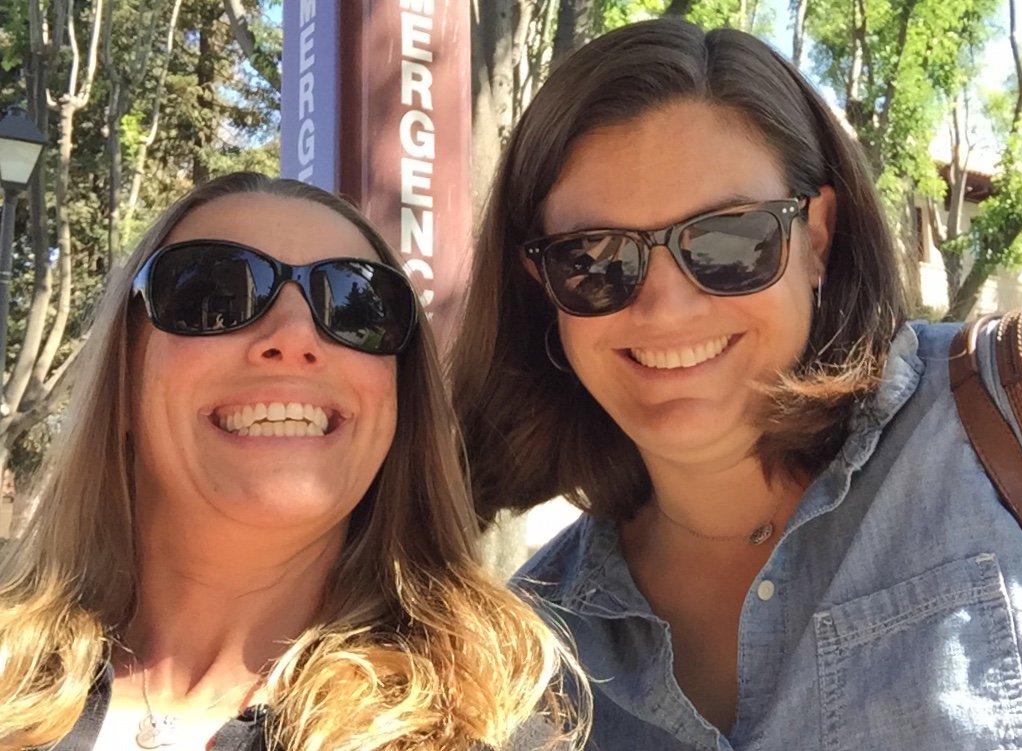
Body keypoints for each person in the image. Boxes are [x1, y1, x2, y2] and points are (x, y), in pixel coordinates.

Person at [450, 18, 1022, 751]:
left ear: (816, 237)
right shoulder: (525, 664)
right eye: (596, 259)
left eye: (729, 239)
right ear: (543, 286)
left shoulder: (1008, 409)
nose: (666, 309)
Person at [0, 172, 585, 751]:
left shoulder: (491, 730)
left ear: (401, 403)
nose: (296, 336)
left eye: (357, 307)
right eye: (214, 298)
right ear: (124, 377)